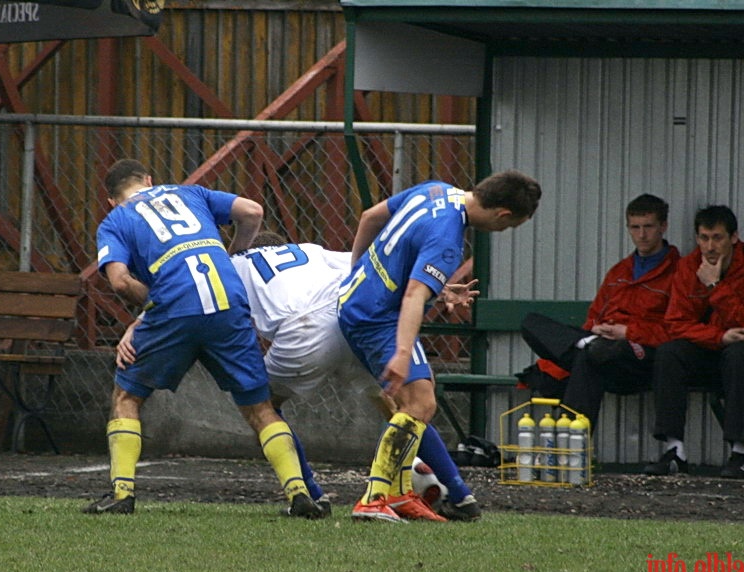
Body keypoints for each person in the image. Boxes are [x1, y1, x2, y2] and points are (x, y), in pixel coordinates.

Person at [83, 158, 326, 518]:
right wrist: (234, 254)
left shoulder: (115, 220)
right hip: (227, 299)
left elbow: (119, 281)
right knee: (259, 407)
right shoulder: (189, 193)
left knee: (127, 396)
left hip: (174, 306)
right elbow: (252, 211)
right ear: (150, 179)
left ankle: (122, 494)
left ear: (111, 200)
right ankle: (299, 494)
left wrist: (154, 303)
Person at [229, 231, 485, 520]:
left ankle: (311, 496)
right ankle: (461, 495)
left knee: (263, 407)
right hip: (351, 318)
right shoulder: (311, 251)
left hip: (303, 328)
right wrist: (441, 292)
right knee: (403, 408)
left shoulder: (237, 262)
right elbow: (374, 270)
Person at [338, 171, 541, 522]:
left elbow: (370, 217)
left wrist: (356, 271)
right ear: (502, 215)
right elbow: (414, 295)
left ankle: (401, 496)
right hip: (378, 317)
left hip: (357, 300)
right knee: (421, 402)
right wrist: (402, 353)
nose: (502, 231)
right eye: (509, 227)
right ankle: (373, 499)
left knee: (409, 404)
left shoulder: (436, 189)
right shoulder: (449, 239)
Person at [644, 205, 744, 479]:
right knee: (669, 353)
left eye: (717, 237)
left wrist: (714, 286)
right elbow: (676, 323)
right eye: (703, 238)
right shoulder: (689, 266)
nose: (709, 246)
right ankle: (674, 451)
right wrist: (719, 337)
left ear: (734, 237)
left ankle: (740, 454)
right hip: (717, 347)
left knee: (740, 354)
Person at [518, 194, 680, 430]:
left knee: (593, 355)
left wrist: (628, 332)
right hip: (602, 348)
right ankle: (588, 342)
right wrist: (595, 328)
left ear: (663, 227)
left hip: (639, 354)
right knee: (531, 323)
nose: (642, 235)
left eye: (648, 227)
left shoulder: (679, 272)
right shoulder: (619, 271)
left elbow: (676, 330)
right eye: (635, 227)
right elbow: (595, 313)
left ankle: (572, 448)